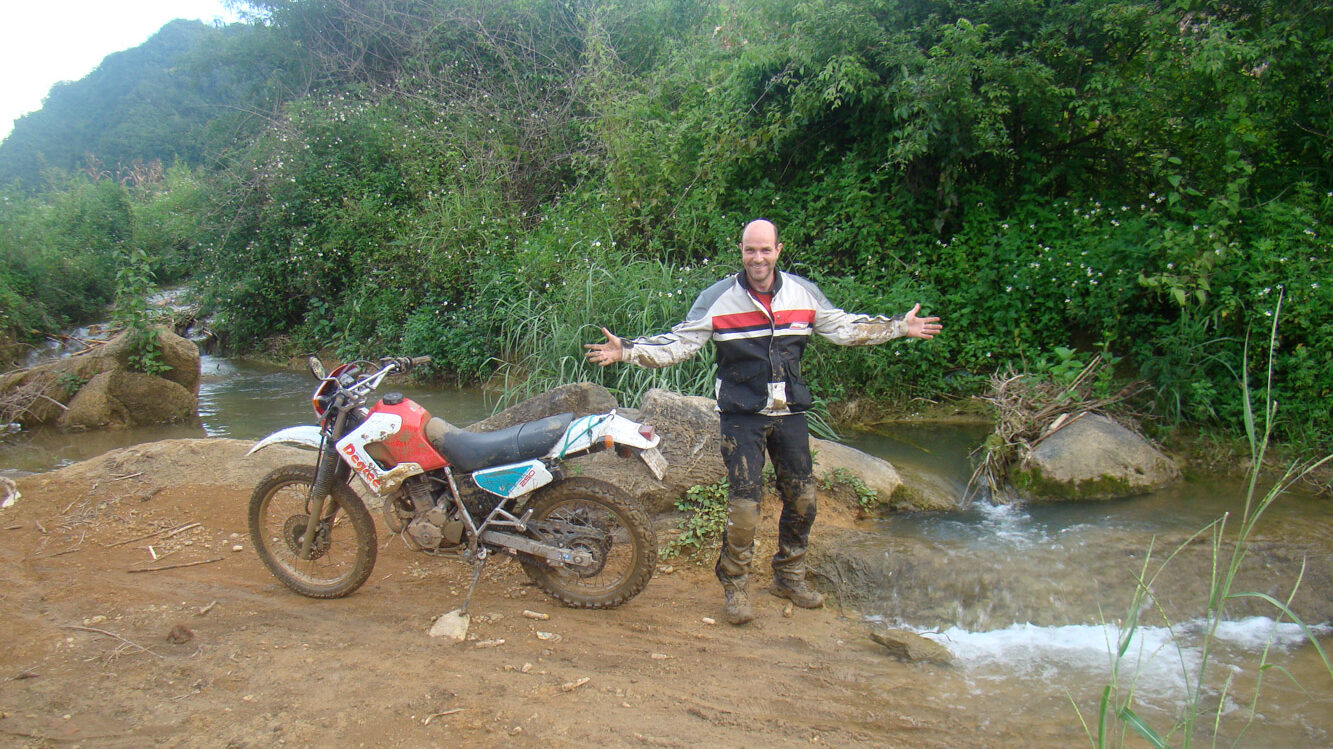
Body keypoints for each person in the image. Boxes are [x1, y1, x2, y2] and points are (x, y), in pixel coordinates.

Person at [585, 219, 942, 625]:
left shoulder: (802, 293)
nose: (758, 258)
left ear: (778, 250)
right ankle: (735, 586)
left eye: (765, 250)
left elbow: (844, 328)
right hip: (741, 414)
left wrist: (899, 326)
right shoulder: (718, 297)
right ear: (741, 250)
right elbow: (680, 342)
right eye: (750, 250)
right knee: (745, 507)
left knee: (803, 499)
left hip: (789, 412)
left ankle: (789, 574)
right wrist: (628, 350)